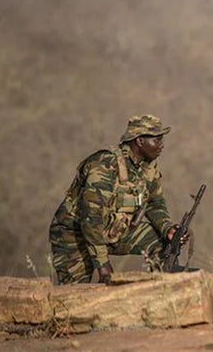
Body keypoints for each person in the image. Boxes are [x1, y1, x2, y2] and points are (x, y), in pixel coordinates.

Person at [49, 114, 186, 284]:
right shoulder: (105, 164)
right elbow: (91, 218)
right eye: (156, 140)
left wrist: (167, 229)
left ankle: (163, 291)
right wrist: (103, 264)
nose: (161, 145)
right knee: (75, 293)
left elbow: (154, 204)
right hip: (74, 234)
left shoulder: (147, 167)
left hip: (113, 230)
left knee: (162, 242)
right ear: (139, 141)